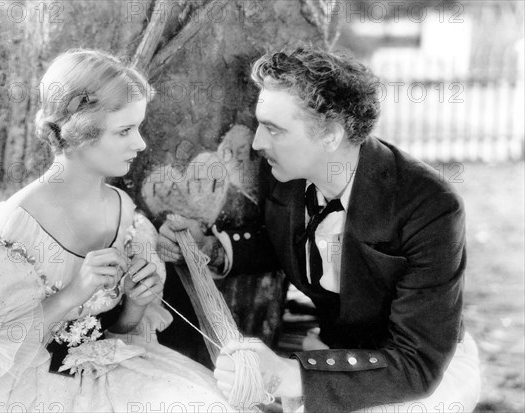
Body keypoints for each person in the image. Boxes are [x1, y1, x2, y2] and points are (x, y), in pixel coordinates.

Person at [158, 45, 481, 412]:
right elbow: (292, 241)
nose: (257, 143)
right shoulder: (287, 171)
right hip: (331, 352)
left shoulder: (430, 206)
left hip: (419, 376)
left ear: (331, 135)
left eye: (274, 130)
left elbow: (418, 366)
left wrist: (284, 374)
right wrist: (212, 249)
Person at [0, 49, 231, 412]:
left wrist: (135, 301)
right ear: (81, 130)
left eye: (138, 128)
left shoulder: (125, 212)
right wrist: (73, 292)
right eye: (125, 131)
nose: (140, 143)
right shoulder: (12, 231)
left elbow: (117, 330)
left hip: (110, 370)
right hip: (27, 389)